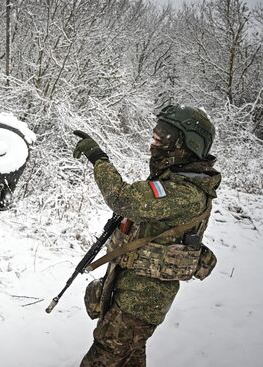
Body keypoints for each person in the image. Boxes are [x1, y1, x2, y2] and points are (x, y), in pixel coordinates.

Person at [73, 104, 222, 366]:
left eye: (163, 136)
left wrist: (98, 157)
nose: (155, 141)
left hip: (141, 299)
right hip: (134, 290)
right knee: (130, 356)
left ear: (186, 144)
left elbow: (123, 199)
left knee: (104, 356)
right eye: (156, 133)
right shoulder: (176, 180)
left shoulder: (185, 192)